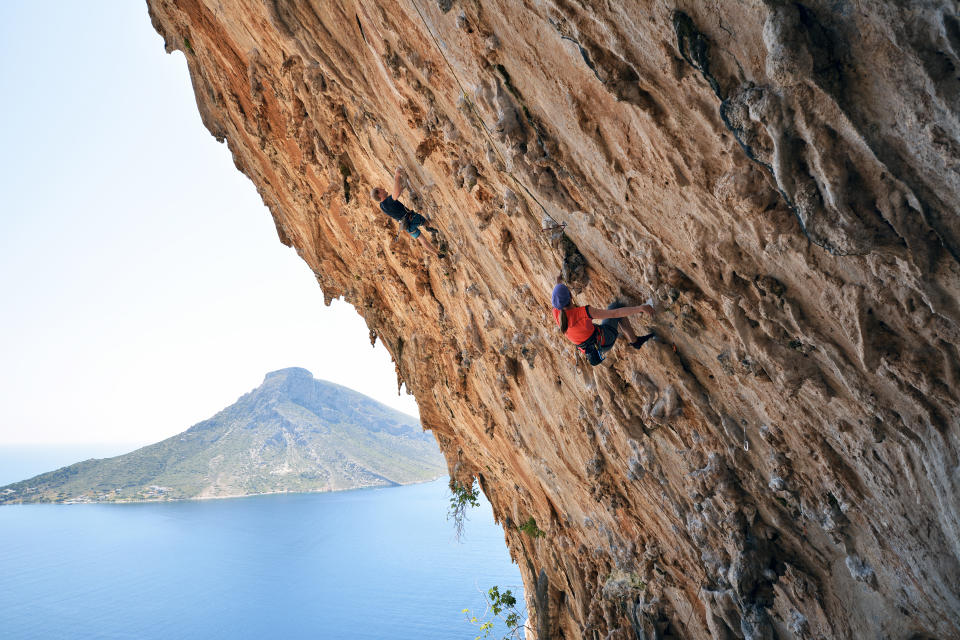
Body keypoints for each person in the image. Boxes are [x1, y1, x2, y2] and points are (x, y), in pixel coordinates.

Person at [551, 277, 656, 366]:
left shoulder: (557, 314)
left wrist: (558, 282)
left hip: (592, 349)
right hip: (605, 341)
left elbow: (559, 299)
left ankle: (634, 341)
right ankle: (635, 341)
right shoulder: (583, 313)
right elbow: (615, 313)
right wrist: (640, 308)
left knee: (607, 320)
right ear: (571, 295)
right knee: (615, 306)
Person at [371, 168, 443, 257]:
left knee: (422, 240)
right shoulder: (387, 202)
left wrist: (403, 183)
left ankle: (437, 253)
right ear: (379, 194)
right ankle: (427, 226)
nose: (383, 188)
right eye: (380, 189)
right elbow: (396, 193)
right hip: (412, 218)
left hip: (406, 226)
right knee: (426, 222)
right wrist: (396, 177)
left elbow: (398, 191)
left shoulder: (382, 206)